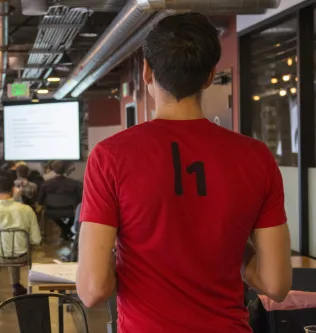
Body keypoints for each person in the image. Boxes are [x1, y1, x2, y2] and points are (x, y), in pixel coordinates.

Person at [76, 13, 292, 333]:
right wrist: (230, 243)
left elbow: (92, 290)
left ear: (147, 71)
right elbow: (276, 284)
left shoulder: (109, 156)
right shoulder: (256, 157)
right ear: (209, 76)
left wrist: (123, 250)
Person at [0, 177, 41, 296]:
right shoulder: (26, 210)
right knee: (15, 246)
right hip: (23, 257)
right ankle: (16, 286)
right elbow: (36, 239)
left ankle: (12, 282)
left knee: (5, 248)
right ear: (13, 190)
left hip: (0, 257)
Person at [38, 161, 82, 240]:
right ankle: (67, 230)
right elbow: (80, 199)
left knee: (51, 215)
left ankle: (64, 230)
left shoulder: (45, 185)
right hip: (71, 211)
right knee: (78, 211)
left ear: (53, 170)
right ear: (65, 170)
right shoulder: (74, 184)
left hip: (50, 212)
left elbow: (40, 201)